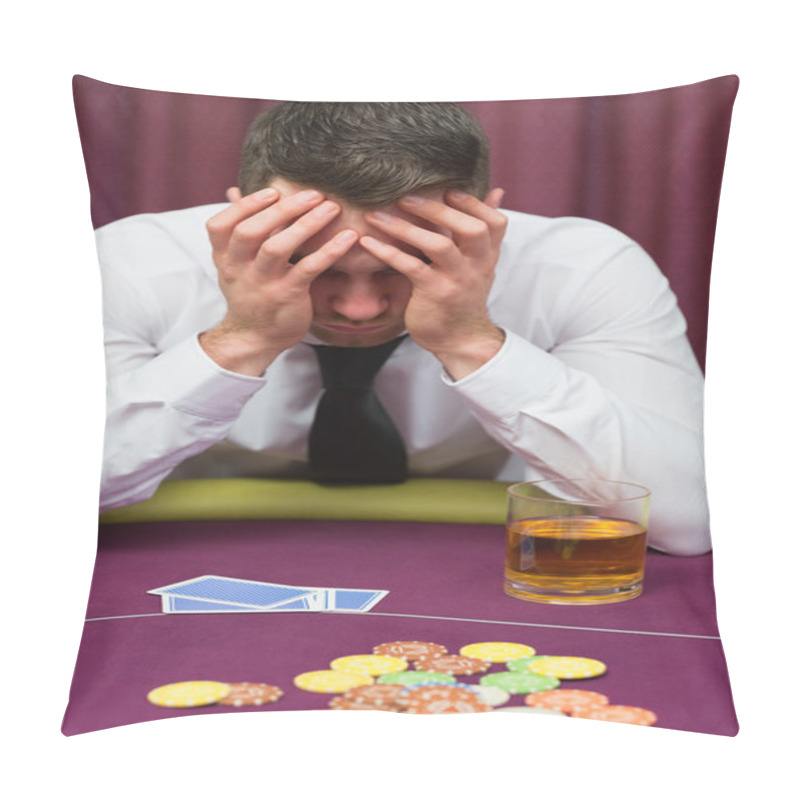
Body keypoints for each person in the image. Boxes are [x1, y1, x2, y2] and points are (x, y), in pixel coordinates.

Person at [97, 101, 710, 555]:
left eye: (410, 261)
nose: (360, 309)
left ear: (487, 219)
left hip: (484, 564)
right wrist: (242, 338)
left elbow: (689, 519)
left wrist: (471, 340)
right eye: (313, 263)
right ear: (243, 216)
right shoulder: (132, 263)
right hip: (186, 551)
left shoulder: (581, 268)